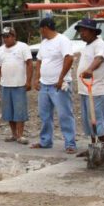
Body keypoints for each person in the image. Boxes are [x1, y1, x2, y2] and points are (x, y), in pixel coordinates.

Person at [32, 17, 77, 153]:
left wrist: (61, 78)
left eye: (40, 29)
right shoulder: (44, 43)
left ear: (44, 28)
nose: (40, 31)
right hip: (44, 85)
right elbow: (39, 60)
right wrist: (37, 78)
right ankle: (45, 141)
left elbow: (69, 58)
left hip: (59, 84)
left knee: (65, 114)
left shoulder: (63, 40)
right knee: (44, 114)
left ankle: (70, 144)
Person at [0, 26, 33, 144]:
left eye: (7, 36)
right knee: (8, 112)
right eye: (3, 37)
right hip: (5, 85)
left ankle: (20, 135)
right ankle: (14, 134)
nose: (5, 39)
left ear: (14, 36)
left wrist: (28, 81)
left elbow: (29, 64)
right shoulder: (0, 50)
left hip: (19, 84)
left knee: (20, 111)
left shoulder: (23, 47)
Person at [75, 18, 104, 158]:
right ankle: (93, 147)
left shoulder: (100, 44)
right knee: (90, 122)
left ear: (92, 31)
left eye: (84, 30)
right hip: (85, 90)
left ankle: (101, 150)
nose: (81, 33)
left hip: (96, 90)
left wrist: (89, 70)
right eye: (80, 31)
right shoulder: (87, 46)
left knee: (98, 121)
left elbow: (99, 59)